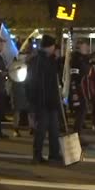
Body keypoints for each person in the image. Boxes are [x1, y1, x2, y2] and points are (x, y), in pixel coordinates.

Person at [26, 35, 63, 164]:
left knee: (53, 129)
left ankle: (53, 153)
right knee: (42, 129)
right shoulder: (39, 61)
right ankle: (38, 155)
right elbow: (35, 82)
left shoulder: (47, 59)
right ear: (49, 46)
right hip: (43, 101)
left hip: (49, 100)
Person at [69, 40, 91, 140]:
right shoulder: (76, 60)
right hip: (79, 88)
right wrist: (75, 91)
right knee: (81, 112)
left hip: (83, 88)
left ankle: (77, 134)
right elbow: (74, 76)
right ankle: (76, 136)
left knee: (82, 112)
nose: (87, 49)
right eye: (85, 46)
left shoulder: (83, 59)